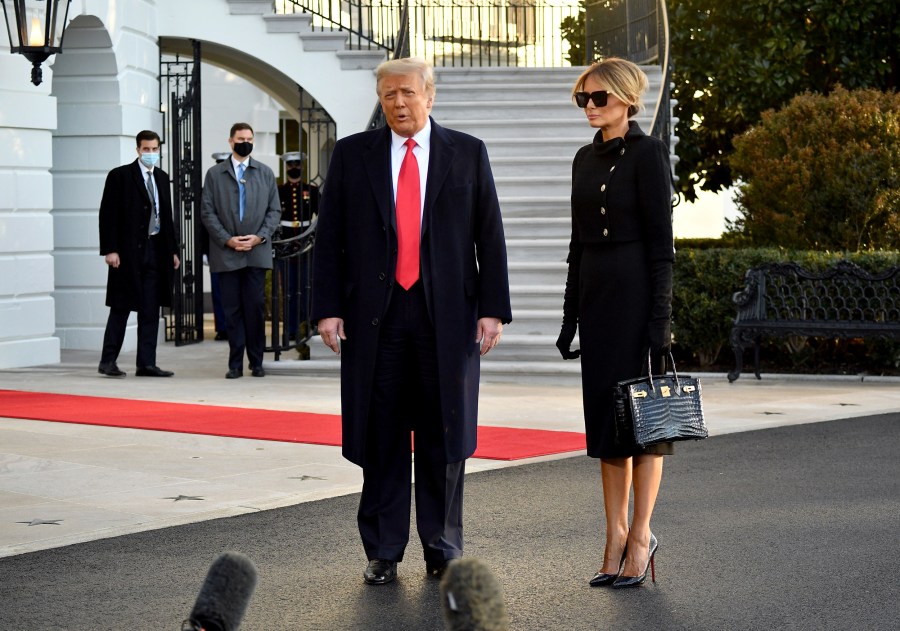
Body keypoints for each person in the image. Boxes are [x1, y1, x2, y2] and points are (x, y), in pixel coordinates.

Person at [312, 57, 511, 586]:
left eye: (406, 93)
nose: (397, 103)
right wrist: (328, 308)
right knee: (381, 434)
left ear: (430, 95)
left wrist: (492, 310)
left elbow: (488, 233)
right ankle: (383, 549)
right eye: (387, 95)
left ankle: (442, 546)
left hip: (445, 316)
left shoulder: (466, 153)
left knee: (443, 435)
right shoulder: (353, 155)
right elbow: (329, 238)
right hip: (373, 316)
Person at [555, 58, 674, 588]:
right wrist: (568, 315)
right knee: (607, 431)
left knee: (643, 425)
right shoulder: (582, 159)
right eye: (584, 99)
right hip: (598, 304)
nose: (590, 107)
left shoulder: (648, 155)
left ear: (626, 99)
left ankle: (641, 535)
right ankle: (613, 535)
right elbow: (578, 245)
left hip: (636, 298)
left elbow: (662, 249)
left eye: (598, 97)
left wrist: (660, 323)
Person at [201, 123, 281, 379]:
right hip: (227, 254)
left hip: (256, 253)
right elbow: (207, 211)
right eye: (240, 138)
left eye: (249, 138)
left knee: (255, 307)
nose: (245, 142)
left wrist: (259, 237)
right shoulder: (215, 174)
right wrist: (228, 240)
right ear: (230, 141)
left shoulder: (265, 173)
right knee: (232, 309)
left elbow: (274, 211)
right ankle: (235, 363)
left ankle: (256, 361)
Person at [98, 130, 180, 378]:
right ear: (137, 150)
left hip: (156, 251)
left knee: (150, 309)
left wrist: (173, 251)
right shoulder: (120, 176)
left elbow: (167, 217)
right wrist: (110, 249)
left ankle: (146, 363)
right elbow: (108, 214)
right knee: (121, 307)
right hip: (127, 253)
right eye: (147, 149)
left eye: (155, 149)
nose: (151, 154)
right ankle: (108, 361)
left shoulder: (162, 178)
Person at [276, 151, 319, 359]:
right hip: (286, 245)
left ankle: (305, 327)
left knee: (305, 289)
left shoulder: (311, 190)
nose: (294, 167)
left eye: (297, 164)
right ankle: (290, 329)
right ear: (286, 167)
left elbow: (320, 216)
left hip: (305, 244)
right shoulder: (279, 190)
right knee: (289, 290)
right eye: (291, 164)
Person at [207, 151, 232, 342]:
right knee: (218, 291)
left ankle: (234, 327)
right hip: (216, 247)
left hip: (240, 247)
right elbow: (203, 221)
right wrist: (202, 251)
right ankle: (222, 327)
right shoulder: (209, 187)